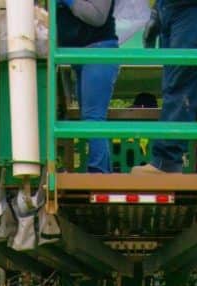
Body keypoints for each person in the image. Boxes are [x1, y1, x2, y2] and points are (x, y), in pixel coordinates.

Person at [61, 1, 151, 173]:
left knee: (93, 118)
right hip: (81, 54)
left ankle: (98, 172)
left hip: (99, 51)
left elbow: (98, 16)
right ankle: (100, 171)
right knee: (89, 118)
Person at [145, 0, 197, 173]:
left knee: (180, 86)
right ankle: (166, 160)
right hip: (171, 9)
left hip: (191, 9)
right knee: (172, 86)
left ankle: (167, 161)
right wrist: (157, 11)